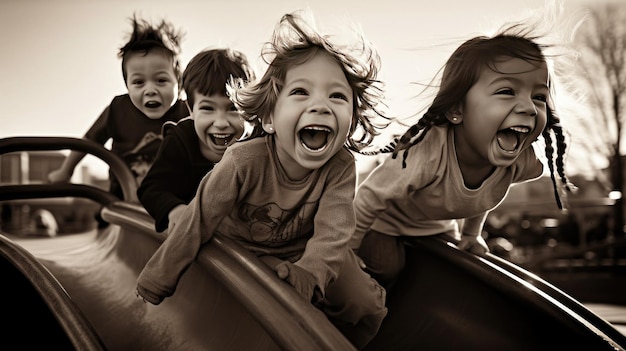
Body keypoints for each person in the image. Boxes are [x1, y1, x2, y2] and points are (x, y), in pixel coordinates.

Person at [136, 11, 390, 349]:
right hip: (249, 249)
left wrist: (311, 272)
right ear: (269, 117)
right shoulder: (243, 161)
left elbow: (334, 230)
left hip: (307, 248)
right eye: (301, 92)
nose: (321, 106)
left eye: (337, 96)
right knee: (269, 303)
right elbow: (199, 218)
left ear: (352, 117)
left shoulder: (340, 165)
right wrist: (158, 276)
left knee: (366, 305)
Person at [351, 19, 575, 289]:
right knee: (388, 268)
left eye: (539, 96)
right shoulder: (426, 153)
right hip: (384, 221)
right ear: (457, 110)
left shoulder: (517, 161)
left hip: (436, 226)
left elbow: (484, 196)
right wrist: (346, 252)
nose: (528, 107)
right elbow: (368, 197)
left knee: (448, 276)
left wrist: (471, 233)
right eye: (506, 91)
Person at [48, 14, 188, 203]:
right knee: (111, 224)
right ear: (127, 86)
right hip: (123, 201)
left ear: (178, 83)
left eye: (161, 80)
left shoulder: (187, 113)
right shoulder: (118, 110)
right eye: (139, 82)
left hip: (173, 205)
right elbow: (89, 141)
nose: (150, 90)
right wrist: (65, 171)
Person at [137, 48, 255, 233]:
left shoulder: (256, 146)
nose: (221, 122)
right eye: (208, 108)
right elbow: (152, 189)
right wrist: (174, 209)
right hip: (191, 233)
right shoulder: (181, 140)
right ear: (191, 110)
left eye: (233, 109)